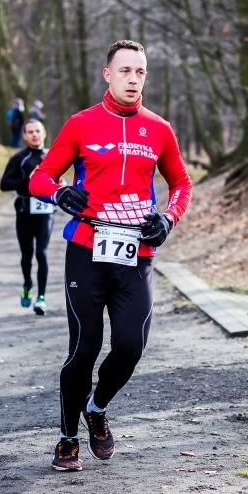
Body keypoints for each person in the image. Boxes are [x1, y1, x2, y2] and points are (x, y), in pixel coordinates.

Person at [29, 40, 192, 471]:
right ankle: (67, 439)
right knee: (84, 349)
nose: (133, 79)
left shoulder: (159, 129)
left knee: (130, 346)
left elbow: (182, 185)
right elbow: (40, 177)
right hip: (87, 251)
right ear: (108, 74)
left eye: (140, 72)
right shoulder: (82, 124)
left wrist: (170, 218)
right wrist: (61, 190)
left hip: (136, 253)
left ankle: (97, 409)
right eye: (125, 71)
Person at [0, 119, 57, 315]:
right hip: (24, 212)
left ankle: (41, 297)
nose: (34, 134)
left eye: (37, 131)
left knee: (42, 253)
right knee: (27, 255)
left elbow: (59, 179)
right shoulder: (19, 158)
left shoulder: (53, 156)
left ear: (44, 133)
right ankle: (27, 284)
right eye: (30, 132)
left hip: (45, 212)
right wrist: (28, 180)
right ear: (24, 136)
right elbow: (4, 184)